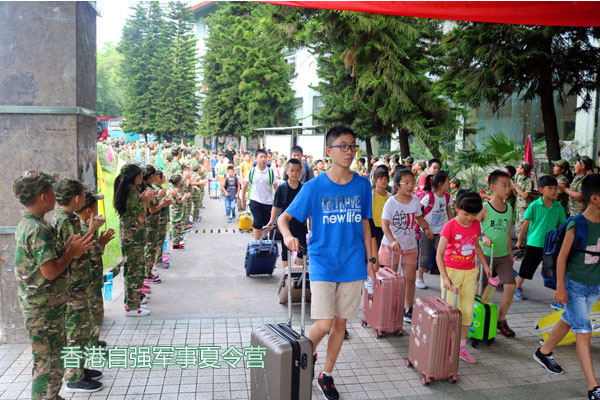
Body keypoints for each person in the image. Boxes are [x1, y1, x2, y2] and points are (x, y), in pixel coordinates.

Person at [278, 126, 375, 400]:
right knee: (324, 324)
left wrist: (371, 258)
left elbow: (366, 222)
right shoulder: (314, 187)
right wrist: (286, 236)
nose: (350, 151)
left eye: (353, 146)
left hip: (353, 262)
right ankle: (307, 352)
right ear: (329, 151)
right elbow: (285, 218)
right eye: (343, 146)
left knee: (340, 324)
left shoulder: (362, 184)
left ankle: (326, 375)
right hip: (322, 262)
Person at [13, 171, 95, 399]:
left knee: (49, 361)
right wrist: (71, 252)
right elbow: (49, 272)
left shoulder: (32, 224)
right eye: (51, 191)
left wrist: (66, 248)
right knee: (48, 364)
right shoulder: (37, 229)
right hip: (43, 311)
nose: (54, 195)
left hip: (44, 308)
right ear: (42, 197)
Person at [533, 174, 600, 400]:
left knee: (569, 319)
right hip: (575, 285)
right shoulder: (576, 223)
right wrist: (560, 287)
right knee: (583, 331)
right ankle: (593, 387)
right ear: (595, 198)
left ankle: (543, 352)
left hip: (595, 284)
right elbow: (561, 258)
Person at [54, 178, 106, 392]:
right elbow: (77, 250)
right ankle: (74, 377)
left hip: (79, 283)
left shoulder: (69, 219)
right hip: (71, 286)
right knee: (75, 332)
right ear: (77, 198)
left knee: (82, 330)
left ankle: (80, 369)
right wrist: (91, 230)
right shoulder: (64, 221)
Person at [438, 190, 491, 364]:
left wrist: (484, 264)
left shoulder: (476, 225)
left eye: (474, 215)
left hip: (470, 273)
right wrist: (445, 277)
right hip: (452, 273)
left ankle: (461, 347)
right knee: (450, 312)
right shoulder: (450, 226)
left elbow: (476, 246)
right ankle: (445, 343)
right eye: (465, 214)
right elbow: (439, 254)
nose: (469, 218)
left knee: (467, 311)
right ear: (456, 208)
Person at [379, 168, 433, 323]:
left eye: (412, 182)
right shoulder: (391, 202)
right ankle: (388, 309)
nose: (410, 186)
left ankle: (408, 309)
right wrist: (393, 240)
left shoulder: (415, 201)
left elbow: (419, 218)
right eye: (406, 183)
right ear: (397, 184)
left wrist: (426, 228)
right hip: (391, 247)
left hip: (410, 246)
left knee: (409, 278)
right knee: (390, 280)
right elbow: (385, 225)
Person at [515, 175, 567, 308]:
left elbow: (562, 225)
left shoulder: (558, 207)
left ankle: (556, 299)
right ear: (541, 190)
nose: (554, 191)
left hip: (551, 244)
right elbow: (526, 223)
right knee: (527, 267)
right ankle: (517, 287)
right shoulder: (534, 205)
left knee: (552, 270)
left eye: (555, 188)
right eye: (550, 188)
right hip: (535, 242)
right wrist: (520, 239)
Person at [478, 170, 517, 338]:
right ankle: (480, 319)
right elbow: (473, 227)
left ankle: (501, 320)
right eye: (504, 185)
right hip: (485, 255)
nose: (508, 189)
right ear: (493, 187)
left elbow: (508, 232)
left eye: (509, 185)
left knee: (510, 286)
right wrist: (482, 236)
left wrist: (510, 254)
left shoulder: (509, 208)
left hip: (502, 256)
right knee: (483, 289)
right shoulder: (485, 208)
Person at [75, 190, 115, 350]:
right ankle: (92, 346)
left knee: (91, 314)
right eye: (95, 207)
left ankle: (93, 342)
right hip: (89, 279)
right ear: (88, 211)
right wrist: (102, 243)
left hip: (89, 277)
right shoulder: (87, 229)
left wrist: (101, 241)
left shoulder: (83, 227)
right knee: (94, 315)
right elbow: (95, 256)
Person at [114, 164, 153, 316]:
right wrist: (145, 202)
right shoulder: (131, 193)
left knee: (133, 270)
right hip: (133, 238)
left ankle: (133, 304)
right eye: (140, 175)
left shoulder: (130, 190)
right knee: (134, 271)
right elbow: (141, 218)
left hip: (132, 236)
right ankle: (131, 307)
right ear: (135, 177)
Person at [267, 158, 308, 267]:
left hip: (300, 224)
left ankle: (299, 274)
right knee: (286, 251)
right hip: (285, 225)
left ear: (300, 172)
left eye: (297, 170)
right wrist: (272, 220)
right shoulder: (282, 188)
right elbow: (276, 206)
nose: (294, 173)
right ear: (287, 171)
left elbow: (308, 207)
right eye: (292, 170)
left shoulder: (304, 188)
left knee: (302, 249)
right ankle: (287, 277)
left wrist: (310, 224)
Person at [416, 171, 453, 289]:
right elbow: (418, 212)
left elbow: (449, 211)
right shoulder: (429, 197)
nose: (450, 184)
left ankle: (446, 278)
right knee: (425, 255)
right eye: (448, 182)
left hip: (440, 232)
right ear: (441, 184)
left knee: (444, 254)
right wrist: (425, 227)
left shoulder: (447, 197)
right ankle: (419, 277)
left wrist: (454, 225)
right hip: (426, 231)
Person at [242, 149, 277, 240]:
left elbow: (276, 188)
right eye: (261, 157)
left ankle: (263, 237)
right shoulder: (252, 171)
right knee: (257, 222)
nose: (263, 159)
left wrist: (279, 202)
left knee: (268, 223)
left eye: (265, 157)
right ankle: (256, 242)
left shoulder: (270, 172)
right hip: (255, 200)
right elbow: (245, 187)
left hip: (268, 202)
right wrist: (243, 200)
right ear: (256, 159)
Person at [511, 162, 534, 258]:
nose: (517, 168)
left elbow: (525, 195)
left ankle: (524, 249)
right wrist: (514, 188)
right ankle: (520, 247)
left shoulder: (528, 181)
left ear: (523, 169)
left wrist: (516, 187)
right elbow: (518, 195)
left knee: (523, 228)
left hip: (525, 208)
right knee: (517, 227)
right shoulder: (519, 179)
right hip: (519, 207)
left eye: (519, 167)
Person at [370, 168, 390, 269]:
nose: (384, 181)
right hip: (372, 228)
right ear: (374, 180)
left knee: (383, 256)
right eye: (381, 178)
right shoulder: (371, 195)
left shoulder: (390, 197)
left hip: (385, 230)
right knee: (373, 255)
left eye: (386, 179)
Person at [168, 173, 190, 250]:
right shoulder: (175, 190)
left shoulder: (172, 187)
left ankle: (176, 243)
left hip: (175, 210)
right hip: (175, 211)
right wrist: (185, 196)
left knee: (177, 226)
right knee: (176, 227)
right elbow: (180, 201)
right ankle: (175, 245)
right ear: (178, 181)